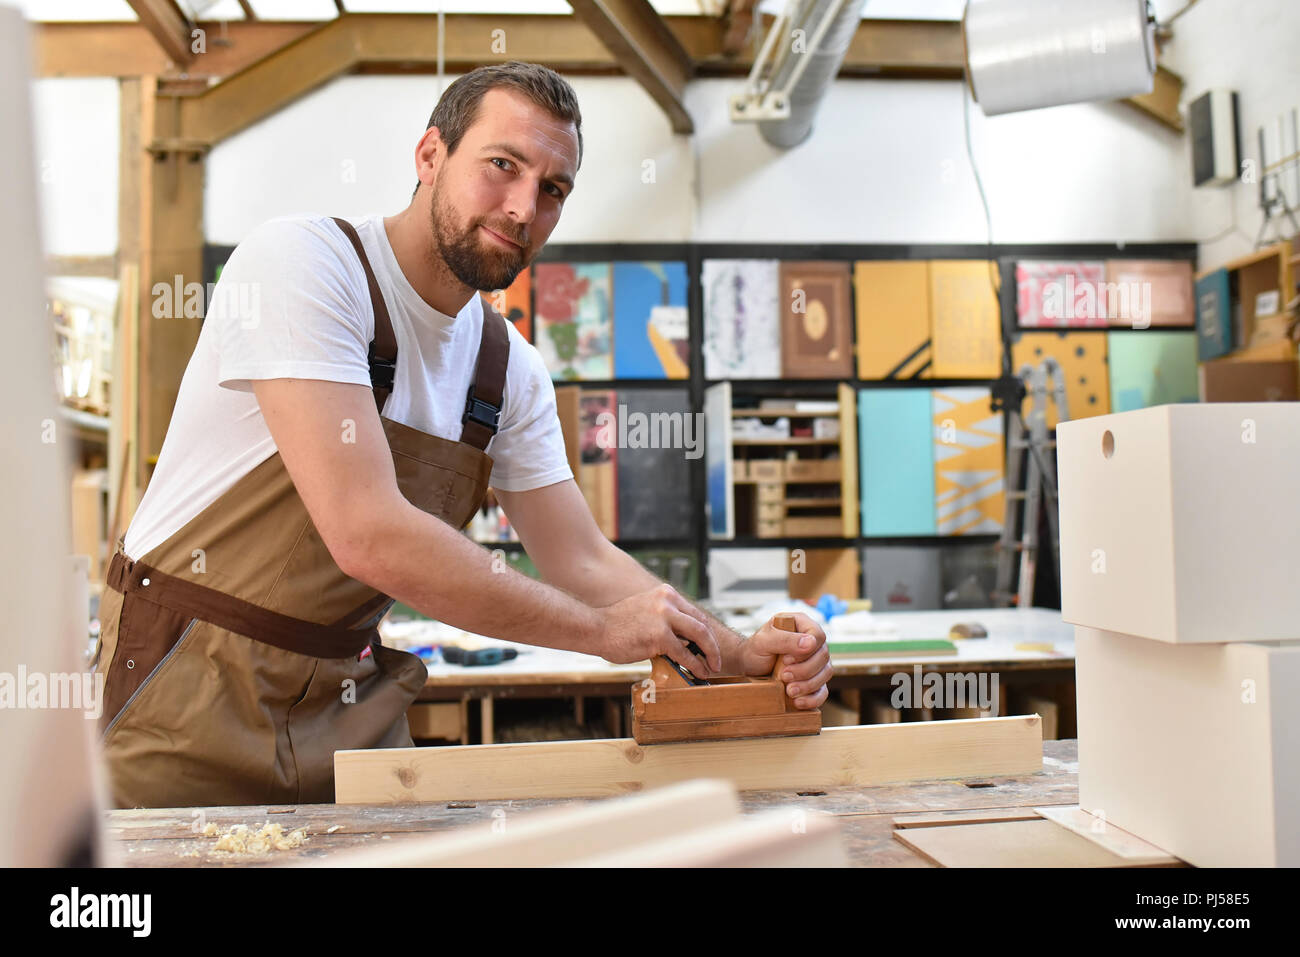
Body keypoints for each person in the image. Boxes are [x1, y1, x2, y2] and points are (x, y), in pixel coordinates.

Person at [94, 61, 831, 809]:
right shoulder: (306, 266)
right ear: (430, 156)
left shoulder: (506, 367)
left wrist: (732, 649)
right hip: (188, 680)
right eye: (502, 166)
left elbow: (578, 555)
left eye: (553, 189)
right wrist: (605, 632)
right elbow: (367, 533)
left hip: (342, 704)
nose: (521, 208)